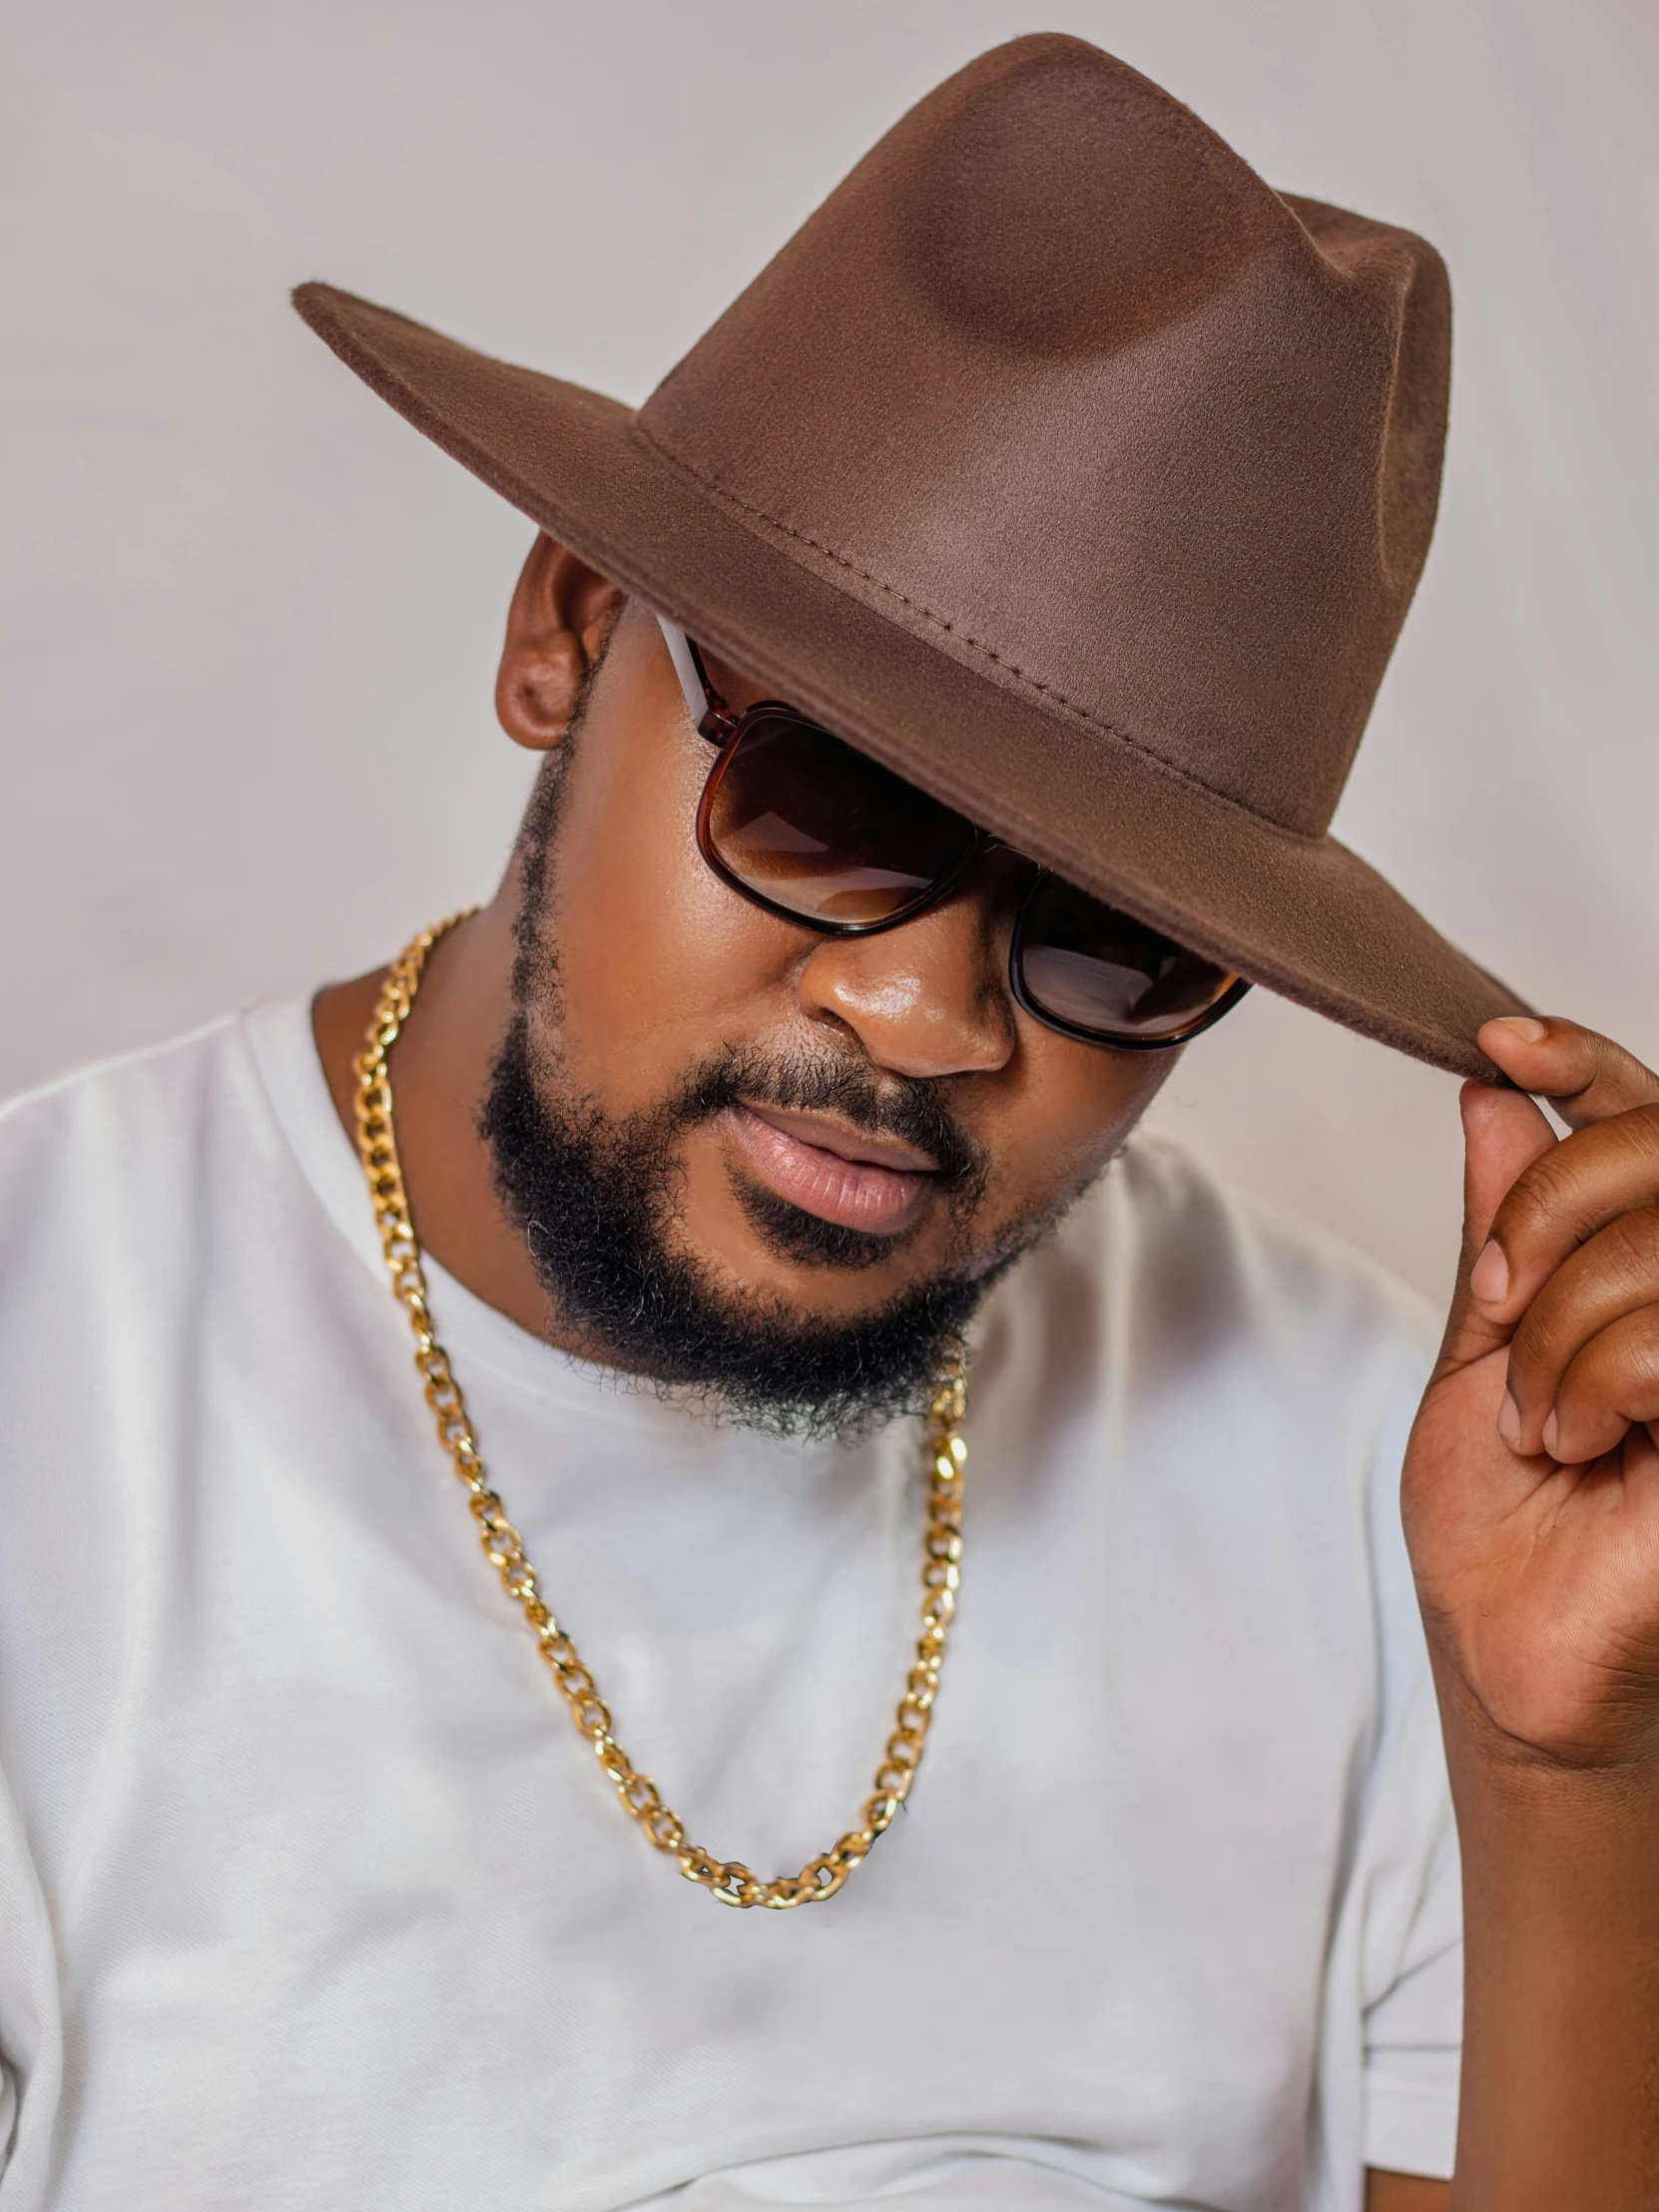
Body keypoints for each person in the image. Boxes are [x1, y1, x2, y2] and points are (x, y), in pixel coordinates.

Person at [1, 30, 1656, 2212]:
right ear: (567, 633)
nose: (933, 1011)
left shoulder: (1380, 1463)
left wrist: (1568, 1770)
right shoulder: (57, 1370)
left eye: (1124, 937)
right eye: (832, 802)